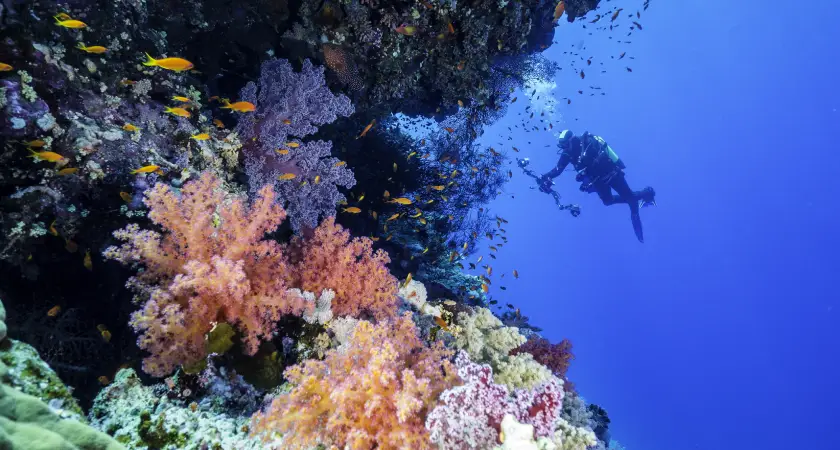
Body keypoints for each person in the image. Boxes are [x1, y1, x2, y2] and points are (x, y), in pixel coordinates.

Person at [538, 130, 656, 242]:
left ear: (571, 140)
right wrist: (544, 177)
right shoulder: (567, 153)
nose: (564, 148)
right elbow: (558, 170)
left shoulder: (586, 141)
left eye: (565, 145)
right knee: (608, 201)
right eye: (562, 146)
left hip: (612, 173)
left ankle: (646, 194)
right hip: (598, 180)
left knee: (629, 197)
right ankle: (635, 200)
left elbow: (601, 156)